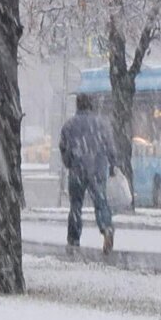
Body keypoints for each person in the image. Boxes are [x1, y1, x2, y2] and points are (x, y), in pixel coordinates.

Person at [59, 93, 118, 254]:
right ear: (91, 105)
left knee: (76, 205)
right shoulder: (101, 124)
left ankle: (74, 238)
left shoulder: (69, 126)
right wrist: (112, 164)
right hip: (97, 169)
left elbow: (63, 147)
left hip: (77, 169)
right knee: (101, 202)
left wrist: (69, 162)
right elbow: (110, 146)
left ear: (78, 105)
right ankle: (106, 227)